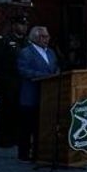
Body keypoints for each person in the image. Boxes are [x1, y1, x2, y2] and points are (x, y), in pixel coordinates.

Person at [15, 25, 60, 161]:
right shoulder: (26, 52)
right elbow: (23, 70)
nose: (47, 39)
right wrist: (43, 76)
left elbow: (55, 66)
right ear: (36, 37)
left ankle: (39, 152)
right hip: (31, 95)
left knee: (41, 127)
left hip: (47, 96)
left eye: (47, 36)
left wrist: (56, 73)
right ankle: (24, 154)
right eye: (44, 36)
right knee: (27, 127)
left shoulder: (51, 52)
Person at [0, 13, 29, 149]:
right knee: (6, 110)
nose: (24, 27)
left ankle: (15, 136)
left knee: (18, 110)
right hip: (6, 81)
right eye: (22, 24)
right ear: (14, 25)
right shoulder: (3, 40)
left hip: (20, 82)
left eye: (25, 25)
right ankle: (4, 138)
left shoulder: (26, 42)